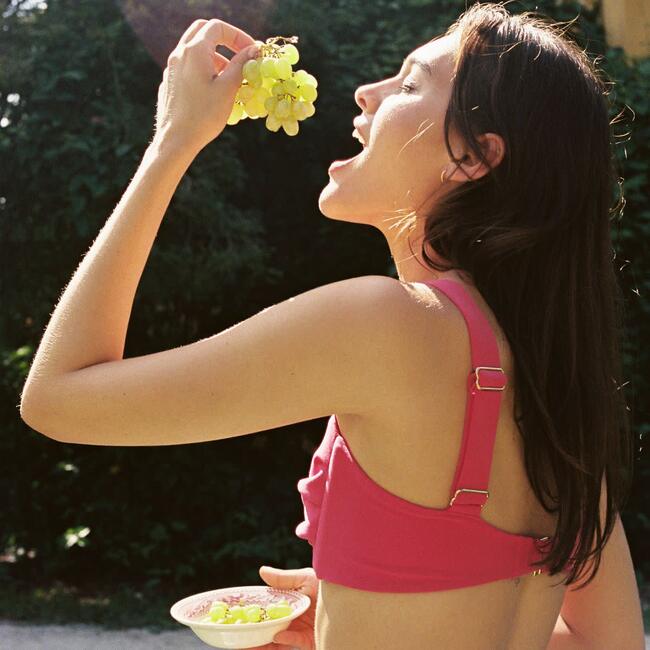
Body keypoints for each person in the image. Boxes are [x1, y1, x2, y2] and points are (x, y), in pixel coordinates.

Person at [20, 3, 644, 650]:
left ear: (473, 157)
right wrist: (394, 614)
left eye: (407, 85)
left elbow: (58, 397)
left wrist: (171, 142)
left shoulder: (383, 325)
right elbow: (609, 642)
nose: (365, 93)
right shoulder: (558, 388)